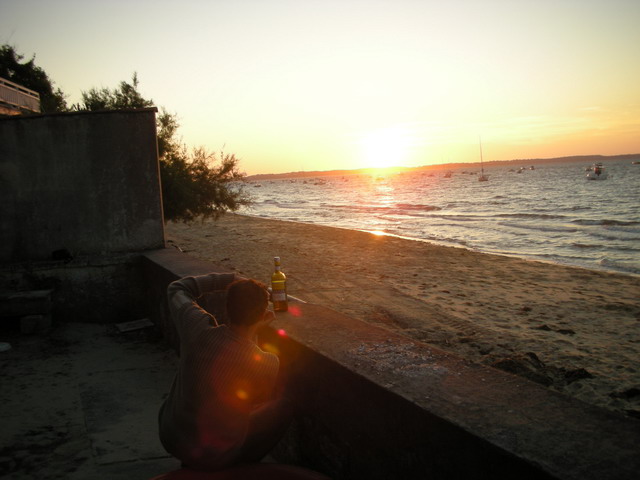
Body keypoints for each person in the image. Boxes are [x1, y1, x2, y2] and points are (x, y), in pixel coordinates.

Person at [158, 273, 291, 471]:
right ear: (262, 315)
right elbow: (257, 400)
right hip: (214, 457)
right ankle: (232, 468)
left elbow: (176, 289)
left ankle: (192, 459)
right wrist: (255, 332)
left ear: (227, 307)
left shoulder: (196, 328)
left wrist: (230, 278)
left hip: (172, 438)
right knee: (284, 407)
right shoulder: (266, 363)